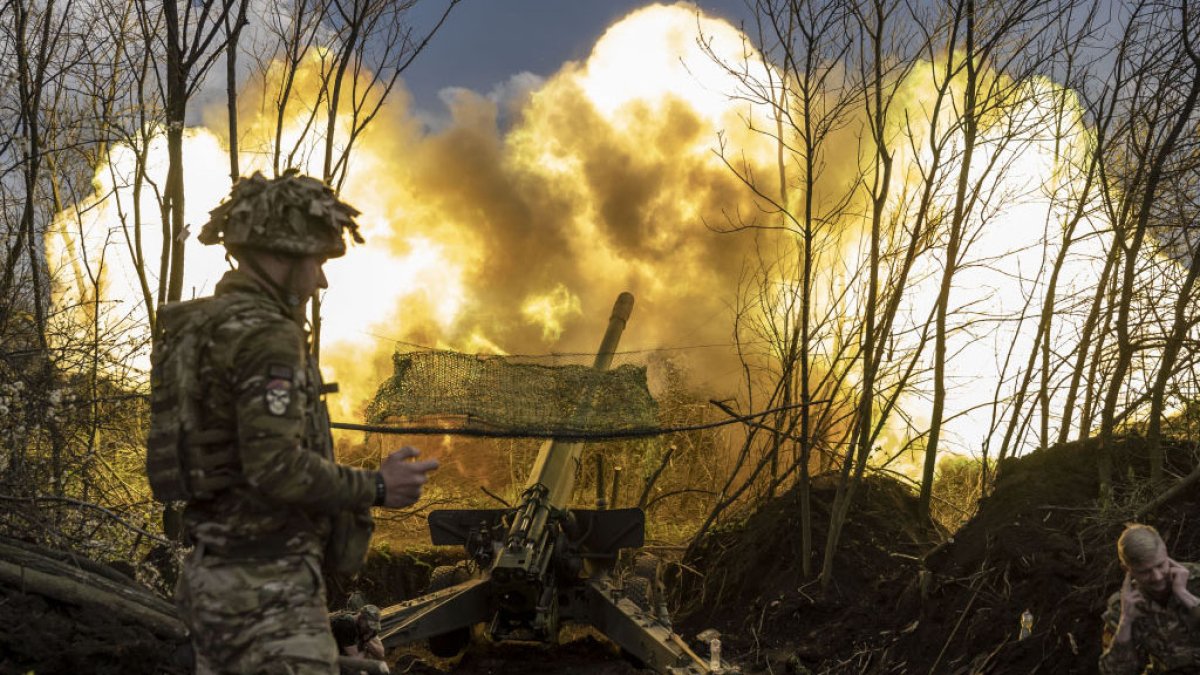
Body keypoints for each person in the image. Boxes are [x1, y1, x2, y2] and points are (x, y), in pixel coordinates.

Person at [159, 170, 439, 674]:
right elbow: (275, 467)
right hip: (268, 588)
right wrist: (377, 486)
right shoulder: (267, 337)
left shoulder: (204, 326)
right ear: (281, 255)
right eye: (316, 261)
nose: (321, 278)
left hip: (215, 576)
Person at [1099, 523, 1200, 674]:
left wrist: (1185, 595)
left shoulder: (1197, 579)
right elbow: (1113, 672)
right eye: (1145, 572)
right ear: (1127, 569)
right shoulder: (1123, 605)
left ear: (1166, 553)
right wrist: (1125, 622)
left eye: (1160, 565)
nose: (1157, 577)